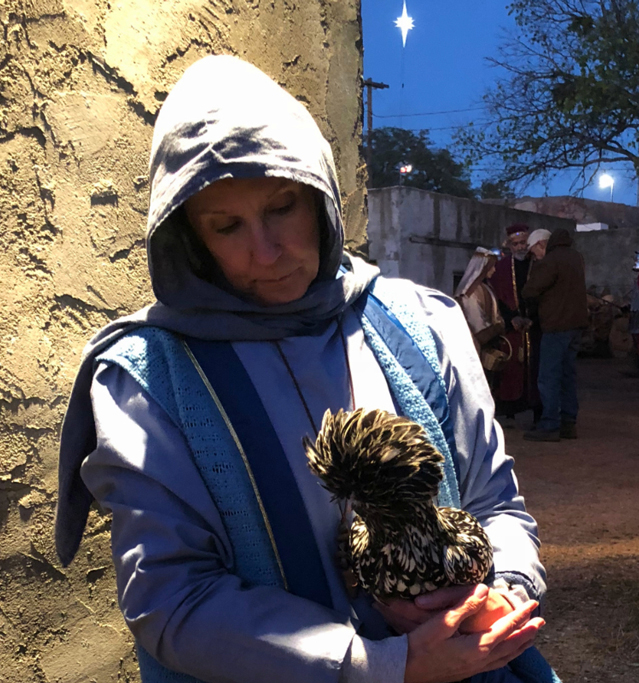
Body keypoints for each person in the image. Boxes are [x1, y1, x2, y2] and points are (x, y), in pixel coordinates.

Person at [53, 55, 559, 683]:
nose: (265, 251)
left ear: (320, 196)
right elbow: (171, 600)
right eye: (226, 225)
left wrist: (498, 596)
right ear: (189, 237)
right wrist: (382, 665)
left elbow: (496, 505)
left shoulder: (424, 327)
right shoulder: (149, 383)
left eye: (283, 206)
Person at [520, 228, 588, 442]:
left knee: (548, 377)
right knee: (568, 375)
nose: (534, 257)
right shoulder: (576, 257)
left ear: (542, 244)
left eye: (533, 252)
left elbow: (530, 290)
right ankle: (569, 423)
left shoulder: (551, 260)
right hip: (576, 325)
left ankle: (550, 424)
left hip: (556, 326)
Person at [487, 225, 544, 425]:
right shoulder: (502, 268)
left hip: (535, 326)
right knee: (510, 368)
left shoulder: (538, 264)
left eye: (523, 243)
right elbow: (495, 296)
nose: (520, 247)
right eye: (516, 244)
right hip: (512, 328)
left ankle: (538, 409)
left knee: (537, 369)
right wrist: (512, 317)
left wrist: (532, 318)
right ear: (510, 245)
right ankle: (508, 408)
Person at [455, 248, 507, 382]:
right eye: (491, 267)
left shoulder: (485, 287)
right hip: (474, 345)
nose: (494, 270)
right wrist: (495, 329)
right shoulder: (468, 292)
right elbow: (476, 321)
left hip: (488, 343)